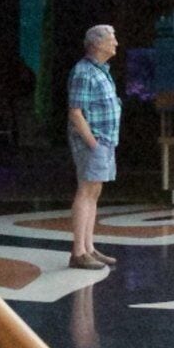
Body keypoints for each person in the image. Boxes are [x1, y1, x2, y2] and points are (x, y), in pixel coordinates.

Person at [65, 24, 121, 268]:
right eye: (112, 39)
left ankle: (89, 247)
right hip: (94, 142)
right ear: (97, 44)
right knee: (86, 192)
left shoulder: (100, 71)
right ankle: (79, 252)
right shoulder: (84, 72)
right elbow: (75, 113)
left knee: (94, 194)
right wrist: (93, 144)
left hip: (105, 141)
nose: (116, 43)